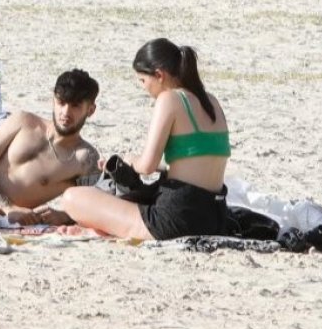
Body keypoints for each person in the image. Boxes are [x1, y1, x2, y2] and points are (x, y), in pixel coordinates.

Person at [59, 39, 231, 239]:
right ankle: (104, 229)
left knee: (72, 198)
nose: (144, 88)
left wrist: (131, 160)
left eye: (143, 81)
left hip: (179, 216)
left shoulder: (169, 99)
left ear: (159, 75)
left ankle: (107, 230)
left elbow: (147, 165)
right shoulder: (211, 101)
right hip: (216, 215)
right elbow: (196, 160)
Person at [0, 69, 101, 224]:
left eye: (75, 106)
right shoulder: (24, 122)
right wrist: (8, 208)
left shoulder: (85, 159)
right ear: (53, 101)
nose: (65, 112)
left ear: (90, 110)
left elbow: (95, 208)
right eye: (61, 103)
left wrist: (63, 216)